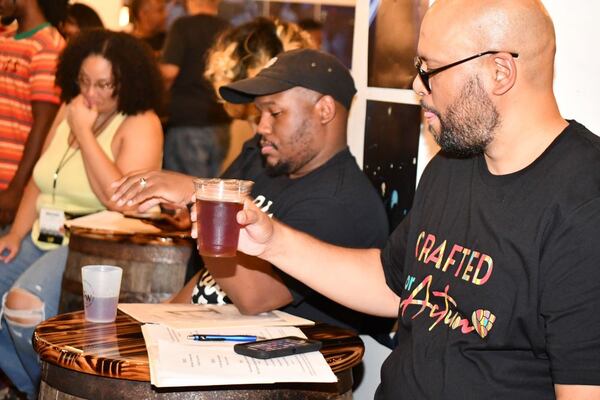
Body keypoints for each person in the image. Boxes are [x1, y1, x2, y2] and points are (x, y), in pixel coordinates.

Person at [209, 1, 600, 399]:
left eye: (429, 70)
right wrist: (272, 241)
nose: (416, 86)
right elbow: (392, 282)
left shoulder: (584, 203)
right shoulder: (453, 164)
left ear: (499, 72)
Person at [113, 48, 393, 334]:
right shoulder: (262, 158)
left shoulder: (341, 203)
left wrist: (199, 197)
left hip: (270, 367)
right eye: (260, 113)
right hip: (197, 332)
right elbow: (209, 275)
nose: (261, 127)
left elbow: (256, 297)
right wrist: (156, 323)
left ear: (324, 110)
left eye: (275, 112)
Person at [0, 30, 163, 399]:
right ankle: (30, 386)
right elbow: (41, 181)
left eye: (104, 84)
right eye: (84, 81)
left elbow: (119, 199)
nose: (91, 93)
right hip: (42, 231)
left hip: (93, 243)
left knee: (22, 305)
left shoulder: (140, 122)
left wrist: (84, 134)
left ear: (127, 81)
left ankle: (50, 389)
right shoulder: (70, 107)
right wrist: (14, 233)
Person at [0, 0, 67, 228]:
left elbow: (44, 124)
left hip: (13, 182)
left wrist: (17, 189)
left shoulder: (49, 46)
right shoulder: (5, 38)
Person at [160, 0, 231, 178]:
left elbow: (169, 72)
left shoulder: (183, 26)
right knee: (210, 190)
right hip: (221, 121)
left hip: (188, 120)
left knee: (186, 193)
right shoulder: (228, 29)